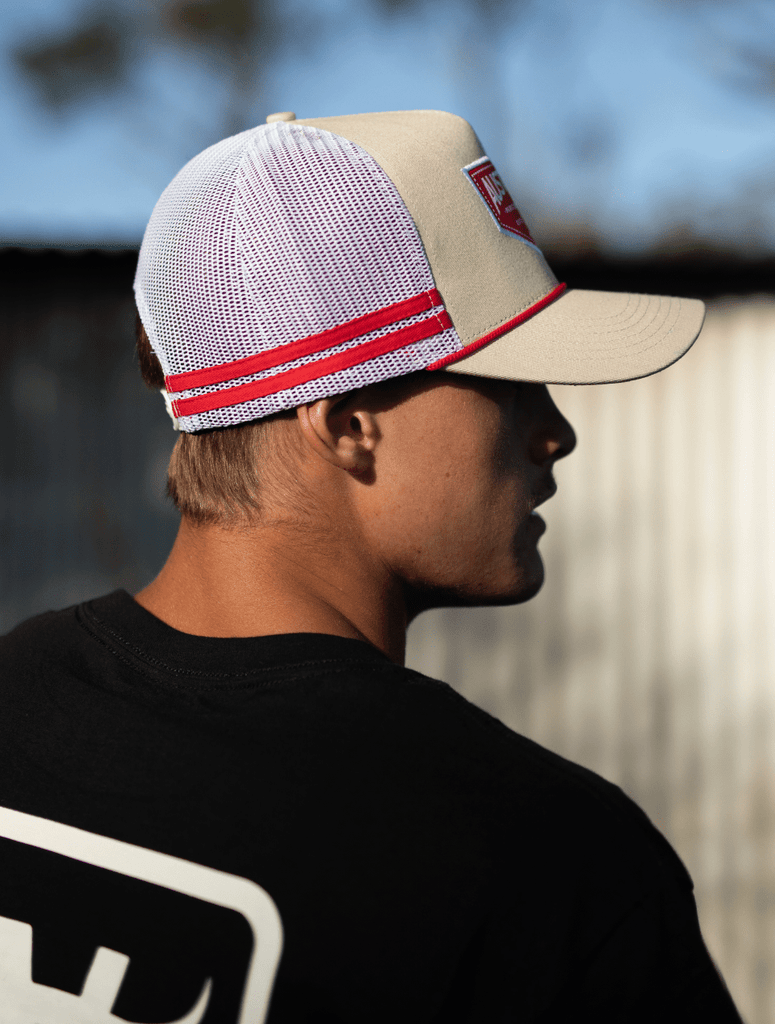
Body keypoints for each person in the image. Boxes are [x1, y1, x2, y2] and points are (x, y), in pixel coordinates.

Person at [0, 110, 742, 1022]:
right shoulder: (547, 863)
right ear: (349, 421)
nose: (557, 433)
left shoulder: (16, 688)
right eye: (510, 383)